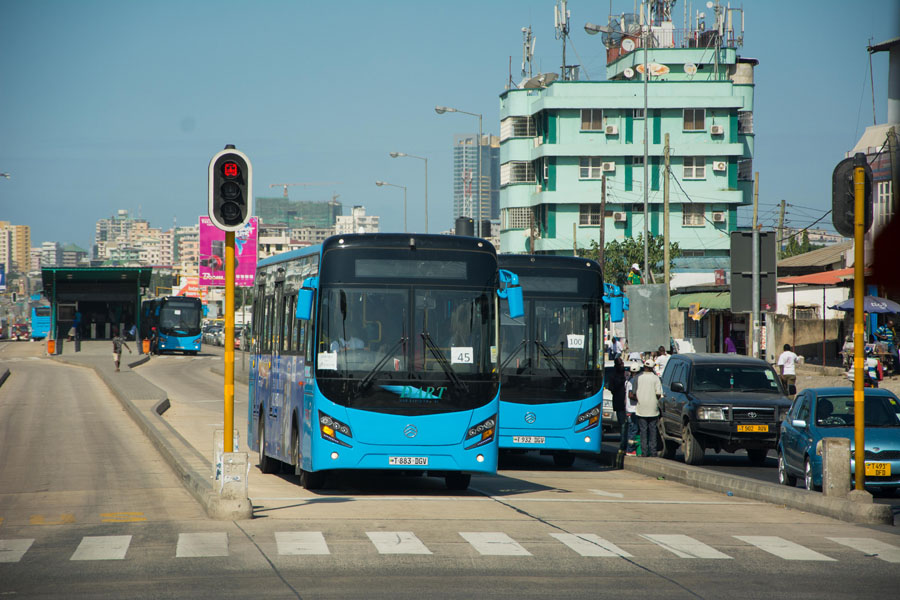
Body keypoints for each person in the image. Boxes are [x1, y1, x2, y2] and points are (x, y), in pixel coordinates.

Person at [632, 358, 662, 457]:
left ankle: (644, 452)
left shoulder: (638, 378)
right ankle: (653, 451)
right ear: (652, 368)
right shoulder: (655, 378)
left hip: (641, 408)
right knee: (653, 430)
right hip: (653, 408)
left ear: (644, 367)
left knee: (643, 431)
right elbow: (658, 393)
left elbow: (633, 392)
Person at [609, 358, 627, 460]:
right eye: (620, 364)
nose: (622, 365)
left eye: (622, 363)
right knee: (623, 426)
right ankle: (623, 446)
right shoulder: (613, 376)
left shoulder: (627, 374)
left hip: (629, 405)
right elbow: (612, 388)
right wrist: (621, 382)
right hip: (620, 404)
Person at [624, 362, 641, 455]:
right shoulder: (633, 381)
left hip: (629, 409)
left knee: (631, 429)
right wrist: (640, 399)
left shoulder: (628, 381)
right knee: (633, 430)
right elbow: (631, 395)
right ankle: (630, 450)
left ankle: (629, 449)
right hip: (633, 409)